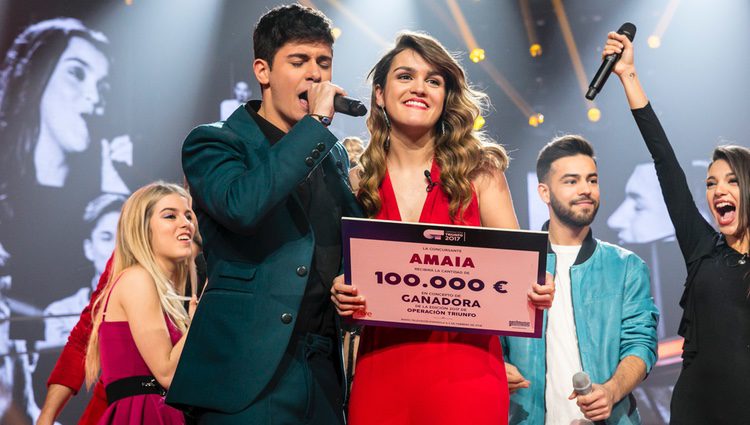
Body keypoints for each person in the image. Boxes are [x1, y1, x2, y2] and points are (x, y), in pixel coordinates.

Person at [331, 32, 553, 425]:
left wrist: (537, 286)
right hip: (382, 373)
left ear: (446, 97)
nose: (419, 87)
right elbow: (343, 274)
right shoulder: (357, 181)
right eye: (405, 76)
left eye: (433, 80)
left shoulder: (480, 172)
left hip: (468, 376)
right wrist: (341, 289)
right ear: (379, 94)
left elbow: (519, 270)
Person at [166, 4, 362, 424]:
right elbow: (243, 207)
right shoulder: (215, 143)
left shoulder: (331, 155)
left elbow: (351, 240)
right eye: (299, 61)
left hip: (321, 370)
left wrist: (350, 284)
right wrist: (316, 124)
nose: (315, 75)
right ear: (263, 70)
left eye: (323, 62)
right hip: (246, 373)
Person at [605, 30, 750, 424]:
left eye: (731, 181)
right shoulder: (703, 248)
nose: (718, 190)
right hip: (696, 408)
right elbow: (665, 161)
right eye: (711, 183)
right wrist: (628, 75)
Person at [502, 136, 659, 424]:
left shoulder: (627, 267)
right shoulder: (514, 265)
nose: (586, 189)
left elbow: (641, 344)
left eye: (592, 180)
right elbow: (490, 343)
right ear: (544, 192)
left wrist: (611, 391)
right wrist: (497, 368)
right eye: (571, 181)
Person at [83, 182, 196, 424]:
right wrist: (199, 322)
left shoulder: (156, 288)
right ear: (143, 229)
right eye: (170, 216)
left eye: (188, 215)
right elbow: (167, 373)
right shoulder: (138, 279)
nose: (186, 223)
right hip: (145, 414)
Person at [41, 193, 125, 349]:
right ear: (89, 248)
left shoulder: (157, 307)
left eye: (124, 239)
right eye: (106, 238)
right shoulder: (60, 313)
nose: (116, 249)